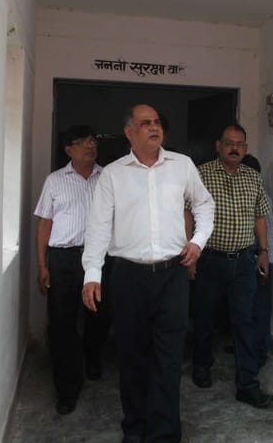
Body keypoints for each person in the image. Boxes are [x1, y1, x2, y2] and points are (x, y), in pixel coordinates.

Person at [81, 105, 214, 443]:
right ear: (129, 132)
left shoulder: (182, 165)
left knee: (168, 359)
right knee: (132, 357)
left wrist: (198, 241)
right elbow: (98, 226)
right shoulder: (113, 174)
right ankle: (136, 428)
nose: (154, 127)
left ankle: (164, 434)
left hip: (172, 275)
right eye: (145, 123)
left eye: (157, 122)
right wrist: (92, 273)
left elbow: (204, 203)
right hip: (128, 277)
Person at [191, 124, 273, 408]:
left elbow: (260, 217)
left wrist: (263, 252)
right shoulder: (201, 174)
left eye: (240, 144)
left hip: (243, 262)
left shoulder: (253, 177)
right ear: (218, 146)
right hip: (209, 259)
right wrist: (190, 252)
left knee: (245, 322)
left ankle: (247, 384)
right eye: (229, 143)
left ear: (246, 148)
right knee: (204, 317)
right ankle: (202, 365)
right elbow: (188, 213)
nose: (234, 148)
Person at [34, 125, 112, 415]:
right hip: (64, 260)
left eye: (92, 141)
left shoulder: (108, 178)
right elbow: (45, 224)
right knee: (62, 322)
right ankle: (67, 387)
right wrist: (42, 265)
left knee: (100, 315)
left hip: (100, 258)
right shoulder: (55, 181)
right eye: (82, 142)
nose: (90, 146)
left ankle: (92, 357)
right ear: (68, 150)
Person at [241, 154, 273, 368]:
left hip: (259, 257)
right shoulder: (247, 195)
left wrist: (266, 259)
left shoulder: (262, 197)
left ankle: (260, 351)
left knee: (259, 308)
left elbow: (268, 232)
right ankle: (247, 347)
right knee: (247, 307)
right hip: (250, 256)